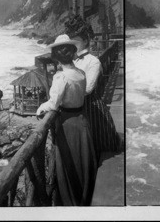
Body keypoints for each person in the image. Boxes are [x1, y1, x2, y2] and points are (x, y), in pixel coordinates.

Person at [36, 34, 97, 206]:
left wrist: (41, 108)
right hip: (82, 121)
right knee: (82, 162)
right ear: (72, 53)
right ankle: (84, 197)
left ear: (56, 56)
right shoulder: (80, 73)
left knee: (69, 164)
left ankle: (71, 201)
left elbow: (54, 104)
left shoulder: (61, 77)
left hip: (67, 123)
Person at [65, 14, 121, 161]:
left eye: (75, 41)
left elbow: (88, 89)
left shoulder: (93, 61)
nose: (72, 45)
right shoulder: (70, 60)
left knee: (95, 147)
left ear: (85, 40)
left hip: (90, 108)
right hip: (74, 108)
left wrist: (64, 94)